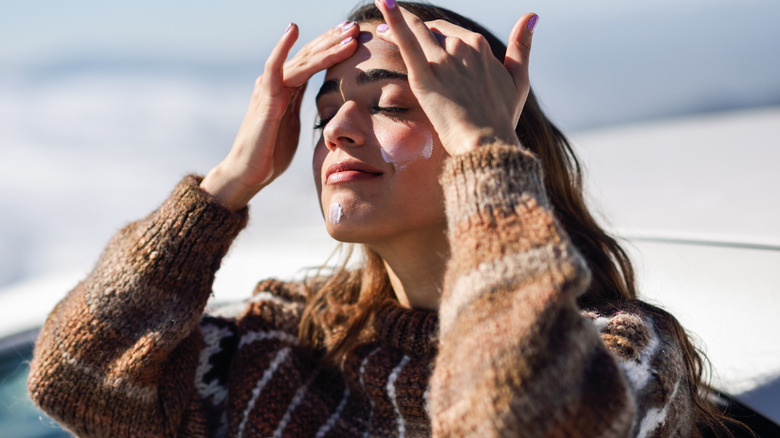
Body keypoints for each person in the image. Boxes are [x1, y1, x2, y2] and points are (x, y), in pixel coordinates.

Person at [28, 1, 735, 437]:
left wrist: (485, 154)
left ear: (488, 144)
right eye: (324, 111)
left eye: (393, 104)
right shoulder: (283, 344)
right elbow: (72, 378)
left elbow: (516, 421)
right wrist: (225, 184)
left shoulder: (621, 354)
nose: (337, 129)